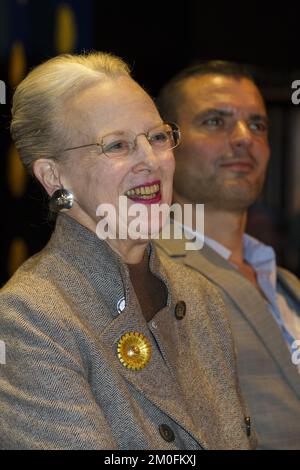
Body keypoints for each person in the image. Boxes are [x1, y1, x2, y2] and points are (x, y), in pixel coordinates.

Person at [0, 53, 254, 450]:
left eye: (156, 137)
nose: (151, 162)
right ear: (53, 176)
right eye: (117, 145)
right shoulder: (28, 318)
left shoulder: (203, 299)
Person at [156, 60, 300, 449]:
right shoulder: (149, 275)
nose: (243, 138)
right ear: (164, 143)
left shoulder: (285, 283)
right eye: (216, 122)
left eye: (257, 125)